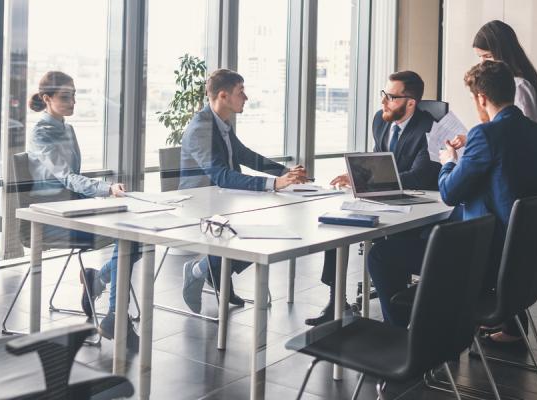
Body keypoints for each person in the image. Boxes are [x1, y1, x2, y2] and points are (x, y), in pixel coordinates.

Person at [308, 71, 464, 327]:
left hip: (418, 203)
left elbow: (419, 175)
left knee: (387, 251)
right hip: (382, 197)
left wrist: (371, 182)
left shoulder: (429, 129)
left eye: (391, 97)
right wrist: (356, 176)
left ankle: (399, 319)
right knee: (338, 225)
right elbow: (377, 161)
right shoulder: (380, 121)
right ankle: (336, 303)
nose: (383, 102)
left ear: (410, 102)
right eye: (384, 94)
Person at [438, 60, 537, 347]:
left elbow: (449, 193)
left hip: (492, 257)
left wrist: (448, 163)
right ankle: (510, 324)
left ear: (481, 98)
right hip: (533, 254)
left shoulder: (484, 135)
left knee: (386, 256)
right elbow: (515, 176)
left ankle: (427, 343)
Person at [178, 68, 309, 313]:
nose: (246, 98)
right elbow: (221, 175)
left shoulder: (222, 124)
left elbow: (245, 156)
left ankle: (212, 270)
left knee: (264, 232)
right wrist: (273, 184)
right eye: (241, 92)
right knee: (255, 234)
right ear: (223, 96)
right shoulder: (200, 128)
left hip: (222, 201)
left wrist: (285, 173)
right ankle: (200, 270)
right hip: (199, 205)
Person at [27, 71, 138, 347]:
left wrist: (102, 194)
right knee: (127, 237)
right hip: (53, 217)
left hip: (75, 208)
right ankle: (113, 313)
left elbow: (73, 179)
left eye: (74, 95)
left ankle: (98, 282)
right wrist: (106, 189)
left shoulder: (68, 128)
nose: (73, 101)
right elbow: (66, 177)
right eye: (66, 96)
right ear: (46, 98)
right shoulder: (41, 132)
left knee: (135, 234)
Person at [472, 20, 537, 125]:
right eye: (480, 57)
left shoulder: (519, 86)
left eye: (488, 56)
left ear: (503, 53)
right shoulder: (509, 83)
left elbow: (527, 134)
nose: (483, 63)